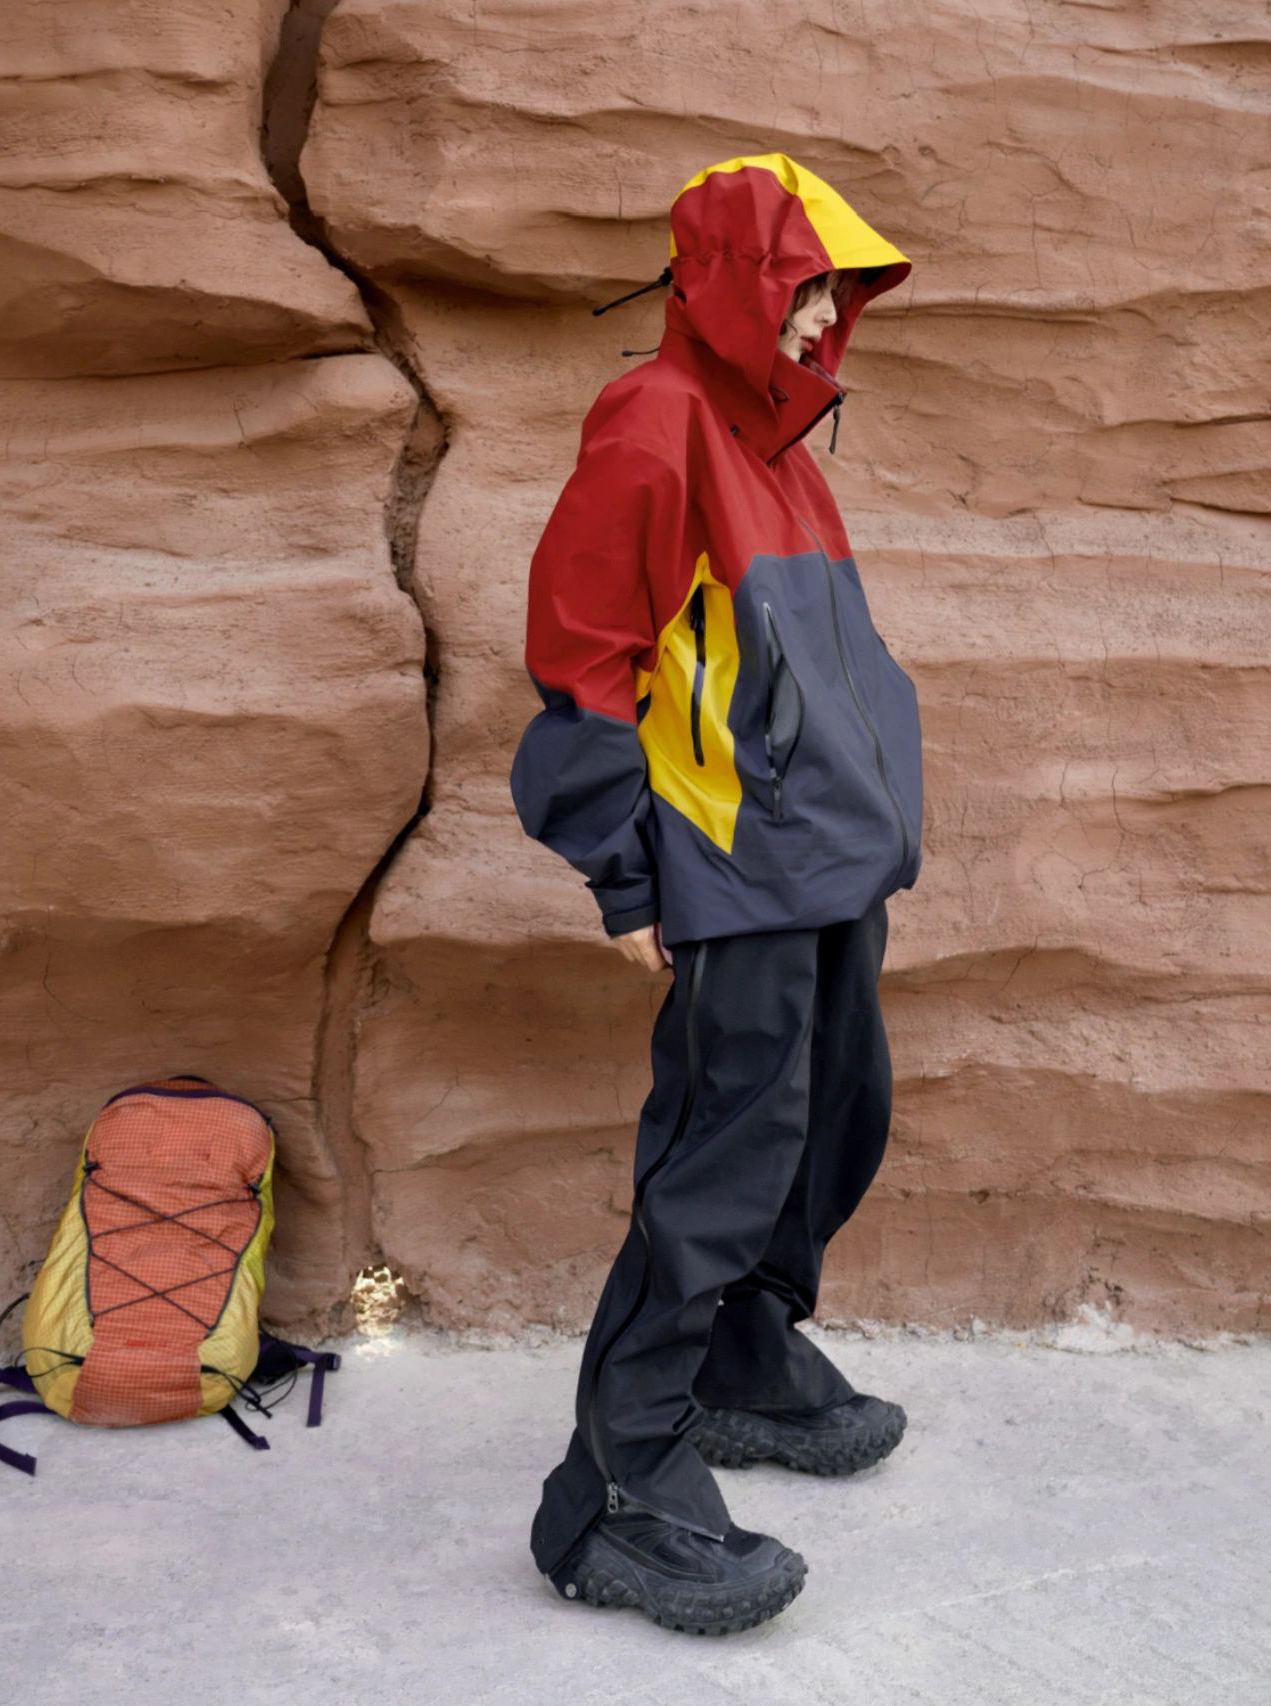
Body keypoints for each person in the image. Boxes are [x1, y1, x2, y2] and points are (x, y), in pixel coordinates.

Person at [509, 152, 924, 1636]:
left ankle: (746, 1357)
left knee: (832, 1123)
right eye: (806, 286)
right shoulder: (656, 420)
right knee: (717, 1168)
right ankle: (614, 1488)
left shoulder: (785, 449)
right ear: (738, 282)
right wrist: (624, 869)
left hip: (830, 864)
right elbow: (581, 655)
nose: (825, 317)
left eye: (837, 294)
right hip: (735, 868)